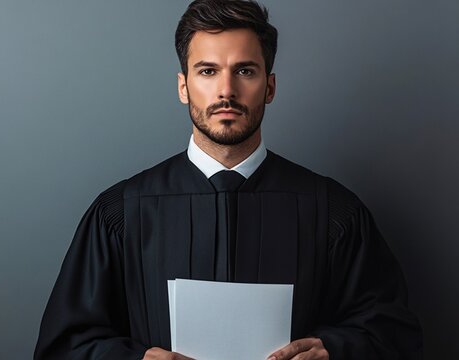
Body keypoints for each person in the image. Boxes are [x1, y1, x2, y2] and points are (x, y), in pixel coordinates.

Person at [34, 0, 423, 359]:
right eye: (207, 71)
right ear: (183, 87)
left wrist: (333, 350)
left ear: (269, 87)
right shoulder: (120, 213)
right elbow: (63, 346)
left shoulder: (334, 213)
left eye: (245, 71)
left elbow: (395, 335)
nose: (226, 90)